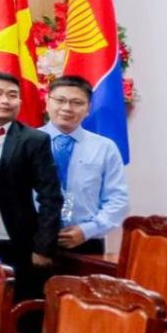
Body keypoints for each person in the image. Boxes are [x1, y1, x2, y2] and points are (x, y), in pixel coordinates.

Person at [0, 71, 64, 299]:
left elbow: (51, 197)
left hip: (17, 243)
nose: (5, 101)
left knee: (20, 313)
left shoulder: (33, 140)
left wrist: (43, 247)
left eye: (12, 95)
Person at [40, 76, 128, 255]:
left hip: (86, 242)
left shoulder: (105, 147)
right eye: (60, 100)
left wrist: (88, 229)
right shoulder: (25, 142)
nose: (67, 108)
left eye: (76, 102)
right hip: (32, 241)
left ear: (88, 109)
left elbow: (117, 199)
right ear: (47, 102)